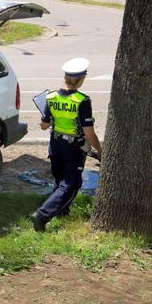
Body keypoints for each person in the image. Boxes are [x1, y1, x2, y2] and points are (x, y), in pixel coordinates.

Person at [31, 58, 102, 232]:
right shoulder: (82, 101)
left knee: (59, 180)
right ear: (81, 79)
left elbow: (44, 126)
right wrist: (100, 151)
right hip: (73, 148)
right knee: (71, 184)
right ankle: (42, 215)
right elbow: (89, 133)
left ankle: (62, 212)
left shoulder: (51, 97)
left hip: (55, 145)